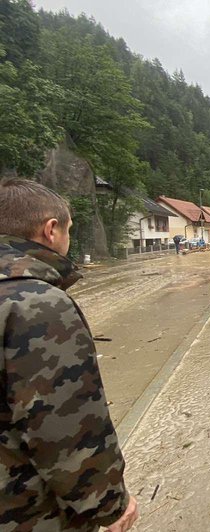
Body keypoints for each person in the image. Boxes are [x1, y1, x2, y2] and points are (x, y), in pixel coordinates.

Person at [0, 179, 138, 531]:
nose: (69, 240)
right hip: (26, 512)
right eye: (69, 230)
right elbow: (65, 426)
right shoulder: (37, 304)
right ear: (51, 230)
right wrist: (110, 506)